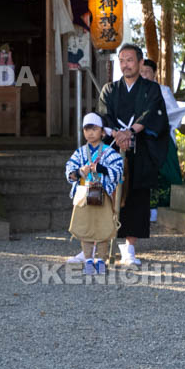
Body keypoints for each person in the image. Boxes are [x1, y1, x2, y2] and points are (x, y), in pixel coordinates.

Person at [98, 44, 170, 266]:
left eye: (130, 60)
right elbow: (104, 115)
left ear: (140, 63)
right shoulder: (109, 89)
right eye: (122, 60)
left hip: (140, 148)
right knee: (108, 194)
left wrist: (130, 132)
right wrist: (118, 135)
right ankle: (101, 245)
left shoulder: (151, 89)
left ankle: (130, 247)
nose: (125, 64)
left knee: (137, 197)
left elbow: (152, 115)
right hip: (113, 147)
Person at [65, 113, 124, 274]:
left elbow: (119, 172)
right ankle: (88, 259)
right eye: (86, 129)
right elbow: (69, 171)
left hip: (102, 194)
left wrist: (101, 169)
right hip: (84, 194)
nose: (90, 132)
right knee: (85, 228)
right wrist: (78, 172)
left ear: (102, 132)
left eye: (94, 129)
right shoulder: (80, 152)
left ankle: (102, 260)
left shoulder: (110, 152)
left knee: (103, 228)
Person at [140, 59, 185, 220]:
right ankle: (146, 207)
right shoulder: (134, 91)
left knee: (166, 172)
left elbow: (176, 116)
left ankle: (167, 206)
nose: (144, 75)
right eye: (141, 72)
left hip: (162, 137)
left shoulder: (163, 90)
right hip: (141, 139)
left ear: (154, 74)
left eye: (147, 72)